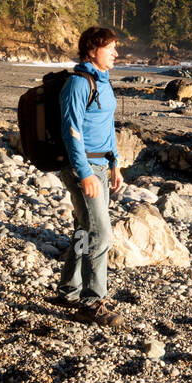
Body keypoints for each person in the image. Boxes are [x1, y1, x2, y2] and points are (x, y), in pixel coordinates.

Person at [50, 26, 125, 325]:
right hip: (82, 167)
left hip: (99, 166)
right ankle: (92, 303)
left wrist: (115, 163)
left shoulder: (103, 82)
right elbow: (72, 132)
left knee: (84, 229)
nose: (116, 53)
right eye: (111, 48)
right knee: (101, 233)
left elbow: (108, 126)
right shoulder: (78, 84)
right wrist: (84, 174)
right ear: (93, 51)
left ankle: (69, 289)